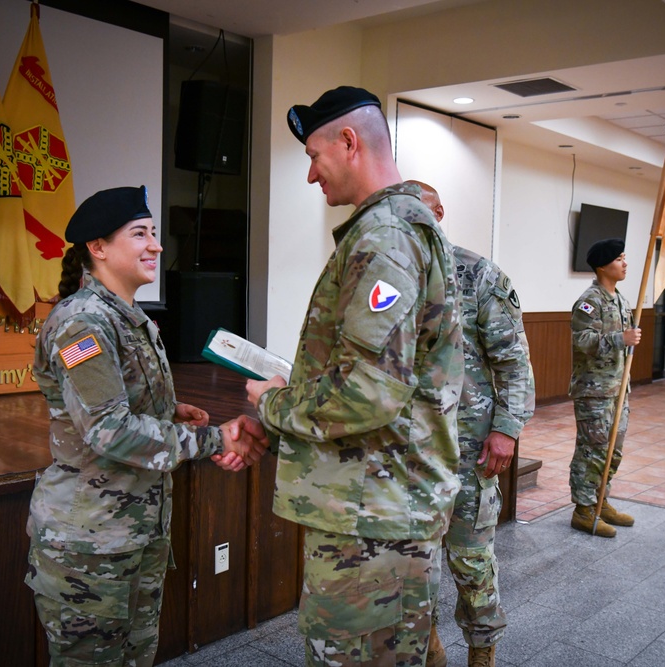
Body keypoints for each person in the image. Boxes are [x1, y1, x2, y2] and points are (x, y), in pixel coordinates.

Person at [244, 87, 464, 666]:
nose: (313, 175)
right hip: (387, 505)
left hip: (374, 517)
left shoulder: (384, 238)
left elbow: (369, 391)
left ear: (349, 142)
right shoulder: (401, 227)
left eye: (315, 156)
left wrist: (275, 403)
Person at [24, 185, 268, 666]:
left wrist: (168, 408)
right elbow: (108, 429)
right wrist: (215, 438)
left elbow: (114, 399)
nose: (156, 245)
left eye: (154, 233)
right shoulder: (84, 323)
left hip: (135, 530)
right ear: (97, 247)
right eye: (140, 234)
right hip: (90, 544)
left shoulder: (130, 317)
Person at [409, 182, 535, 667]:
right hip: (407, 454)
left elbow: (515, 363)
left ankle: (482, 651)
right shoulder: (389, 275)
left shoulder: (478, 274)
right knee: (412, 565)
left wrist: (506, 429)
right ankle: (428, 648)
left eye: (417, 210)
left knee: (470, 561)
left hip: (467, 449)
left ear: (438, 212)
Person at [568, 238, 641, 538]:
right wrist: (618, 339)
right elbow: (582, 341)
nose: (625, 263)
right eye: (619, 259)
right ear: (602, 266)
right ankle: (583, 510)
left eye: (625, 258)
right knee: (593, 451)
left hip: (618, 389)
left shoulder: (621, 300)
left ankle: (601, 500)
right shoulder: (590, 302)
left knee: (613, 451)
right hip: (594, 391)